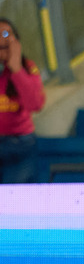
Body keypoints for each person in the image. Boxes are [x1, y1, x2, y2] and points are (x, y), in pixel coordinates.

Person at [0, 18, 45, 184]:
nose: (1, 39)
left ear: (16, 41)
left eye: (6, 34)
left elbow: (35, 104)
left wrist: (16, 69)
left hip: (20, 146)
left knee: (14, 201)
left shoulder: (27, 67)